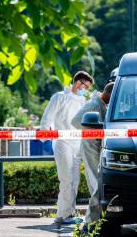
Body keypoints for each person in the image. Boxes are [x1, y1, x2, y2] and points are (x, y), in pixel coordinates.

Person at [40, 71, 94, 224]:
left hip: (78, 144)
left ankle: (68, 214)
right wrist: (44, 133)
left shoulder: (83, 100)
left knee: (75, 180)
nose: (86, 90)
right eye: (86, 86)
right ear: (78, 83)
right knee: (66, 179)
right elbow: (47, 116)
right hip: (62, 142)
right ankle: (62, 215)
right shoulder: (59, 97)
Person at [71, 82, 114, 230]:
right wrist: (92, 132)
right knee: (96, 184)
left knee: (97, 183)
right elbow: (75, 121)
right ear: (109, 94)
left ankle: (94, 220)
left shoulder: (102, 104)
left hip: (96, 146)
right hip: (90, 147)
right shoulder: (94, 104)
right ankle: (89, 222)